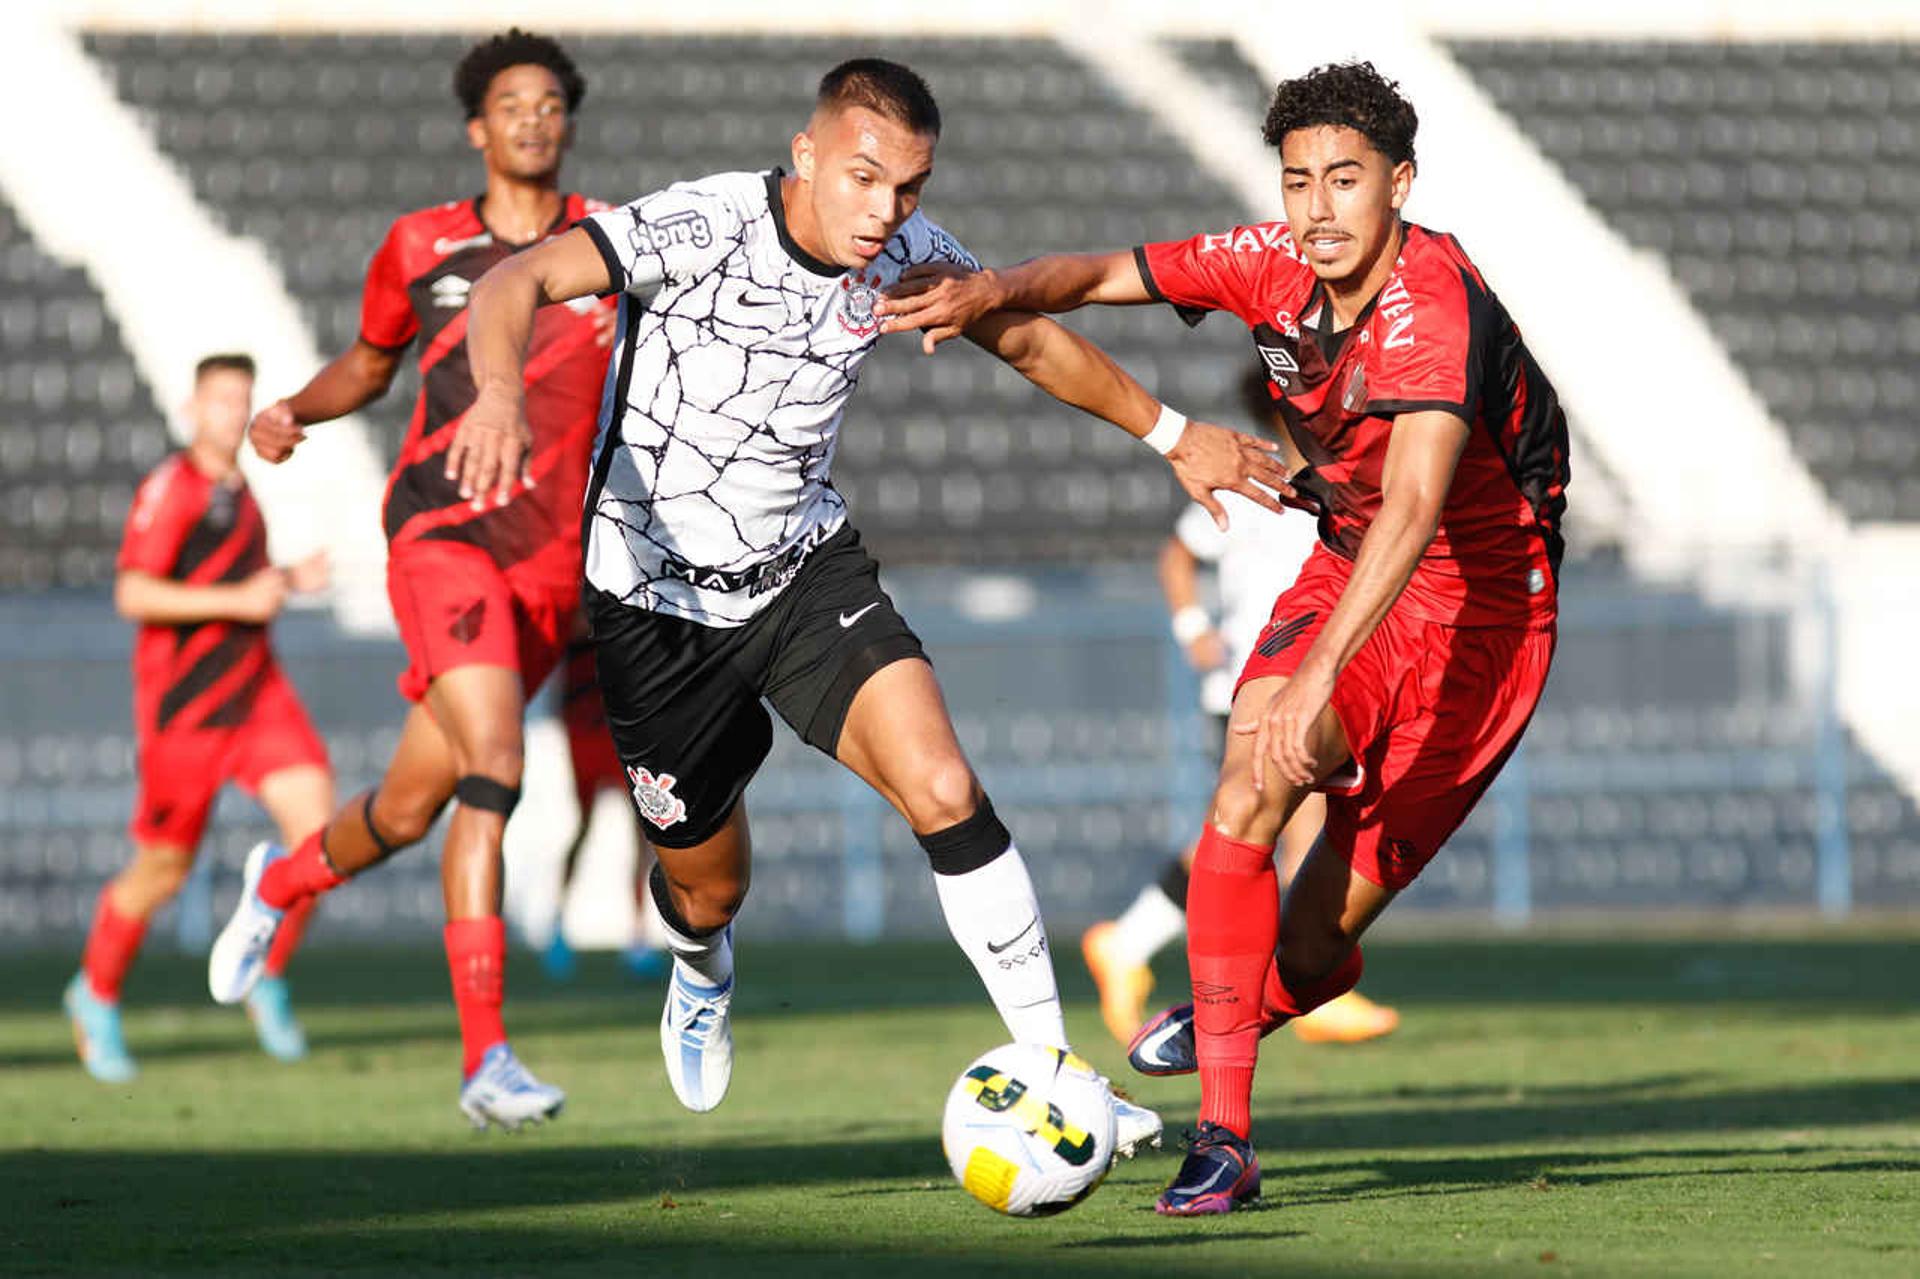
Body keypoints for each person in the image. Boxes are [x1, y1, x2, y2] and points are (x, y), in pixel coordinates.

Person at [440, 57, 1291, 1148]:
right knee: (706, 890)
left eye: (910, 187)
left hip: (804, 578)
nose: (885, 210)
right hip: (654, 611)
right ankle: (701, 969)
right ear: (806, 157)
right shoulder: (698, 226)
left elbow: (1024, 335)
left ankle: (1060, 1071)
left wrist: (1174, 435)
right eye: (863, 177)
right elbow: (514, 284)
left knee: (943, 782)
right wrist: (501, 395)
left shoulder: (904, 254)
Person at [876, 60, 1568, 1215]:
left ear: (1399, 183)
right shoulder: (1268, 261)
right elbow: (1098, 275)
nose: (1317, 207)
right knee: (1247, 781)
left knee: (1302, 956)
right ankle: (1227, 1141)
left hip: (1484, 621)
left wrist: (1320, 682)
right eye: (1298, 180)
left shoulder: (1432, 309)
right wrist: (990, 287)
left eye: (1345, 180)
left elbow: (1414, 507)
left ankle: (1247, 997)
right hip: (1350, 565)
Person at [207, 28, 616, 1130]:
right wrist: (298, 404)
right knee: (496, 762)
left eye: (550, 103)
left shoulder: (609, 248)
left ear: (567, 123)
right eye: (511, 104)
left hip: (552, 568)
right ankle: (487, 1058)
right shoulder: (420, 244)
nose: (533, 119)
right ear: (478, 128)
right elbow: (372, 362)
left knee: (405, 807)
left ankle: (282, 882)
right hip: (444, 537)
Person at [1083, 364, 1398, 1049]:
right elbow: (1178, 554)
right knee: (1278, 818)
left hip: (1308, 676)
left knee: (1251, 822)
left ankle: (1127, 942)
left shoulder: (1337, 479)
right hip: (1257, 677)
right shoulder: (1254, 474)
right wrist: (1194, 628)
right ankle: (1303, 988)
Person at [65, 353, 332, 1082]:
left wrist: (284, 581)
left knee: (320, 839)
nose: (230, 413)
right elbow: (133, 593)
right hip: (188, 710)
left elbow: (238, 583)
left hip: (256, 693)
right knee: (162, 869)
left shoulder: (240, 489)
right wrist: (241, 600)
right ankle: (94, 994)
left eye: (242, 400)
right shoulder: (172, 488)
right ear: (191, 407)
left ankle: (265, 971)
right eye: (219, 400)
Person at [536, 630, 665, 982]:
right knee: (584, 828)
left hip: (619, 731)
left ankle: (638, 937)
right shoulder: (576, 624)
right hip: (585, 733)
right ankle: (558, 929)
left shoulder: (619, 616)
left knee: (640, 831)